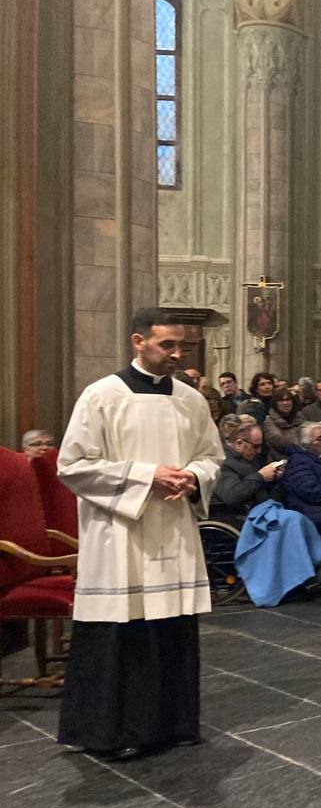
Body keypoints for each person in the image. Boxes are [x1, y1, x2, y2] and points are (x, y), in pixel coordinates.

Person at [56, 307, 224, 761]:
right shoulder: (101, 395)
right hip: (120, 533)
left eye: (180, 346)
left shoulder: (190, 399)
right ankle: (112, 731)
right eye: (167, 344)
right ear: (138, 341)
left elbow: (211, 456)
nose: (176, 353)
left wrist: (193, 476)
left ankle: (173, 723)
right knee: (122, 629)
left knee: (171, 626)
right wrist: (148, 475)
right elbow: (73, 465)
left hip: (172, 528)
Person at [211, 423, 285, 520]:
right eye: (255, 446)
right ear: (239, 443)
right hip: (241, 516)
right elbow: (232, 496)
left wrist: (273, 478)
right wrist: (260, 476)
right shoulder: (223, 463)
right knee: (294, 519)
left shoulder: (249, 458)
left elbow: (254, 487)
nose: (259, 451)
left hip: (261, 510)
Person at [263, 388, 304, 460]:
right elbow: (279, 441)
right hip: (279, 460)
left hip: (303, 457)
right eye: (281, 400)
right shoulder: (269, 421)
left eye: (288, 400)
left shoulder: (300, 418)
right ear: (275, 403)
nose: (285, 403)